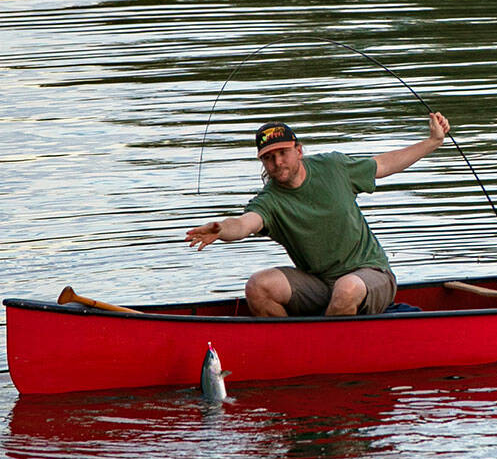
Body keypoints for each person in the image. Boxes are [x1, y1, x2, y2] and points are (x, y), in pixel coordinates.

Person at [185, 113, 450, 317]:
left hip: (371, 275)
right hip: (320, 284)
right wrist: (221, 230)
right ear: (262, 162)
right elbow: (245, 224)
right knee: (259, 286)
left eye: (283, 153)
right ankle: (293, 348)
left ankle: (328, 348)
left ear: (298, 151)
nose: (277, 163)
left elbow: (384, 164)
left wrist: (433, 141)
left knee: (347, 289)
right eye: (269, 158)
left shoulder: (333, 167)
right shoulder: (270, 200)